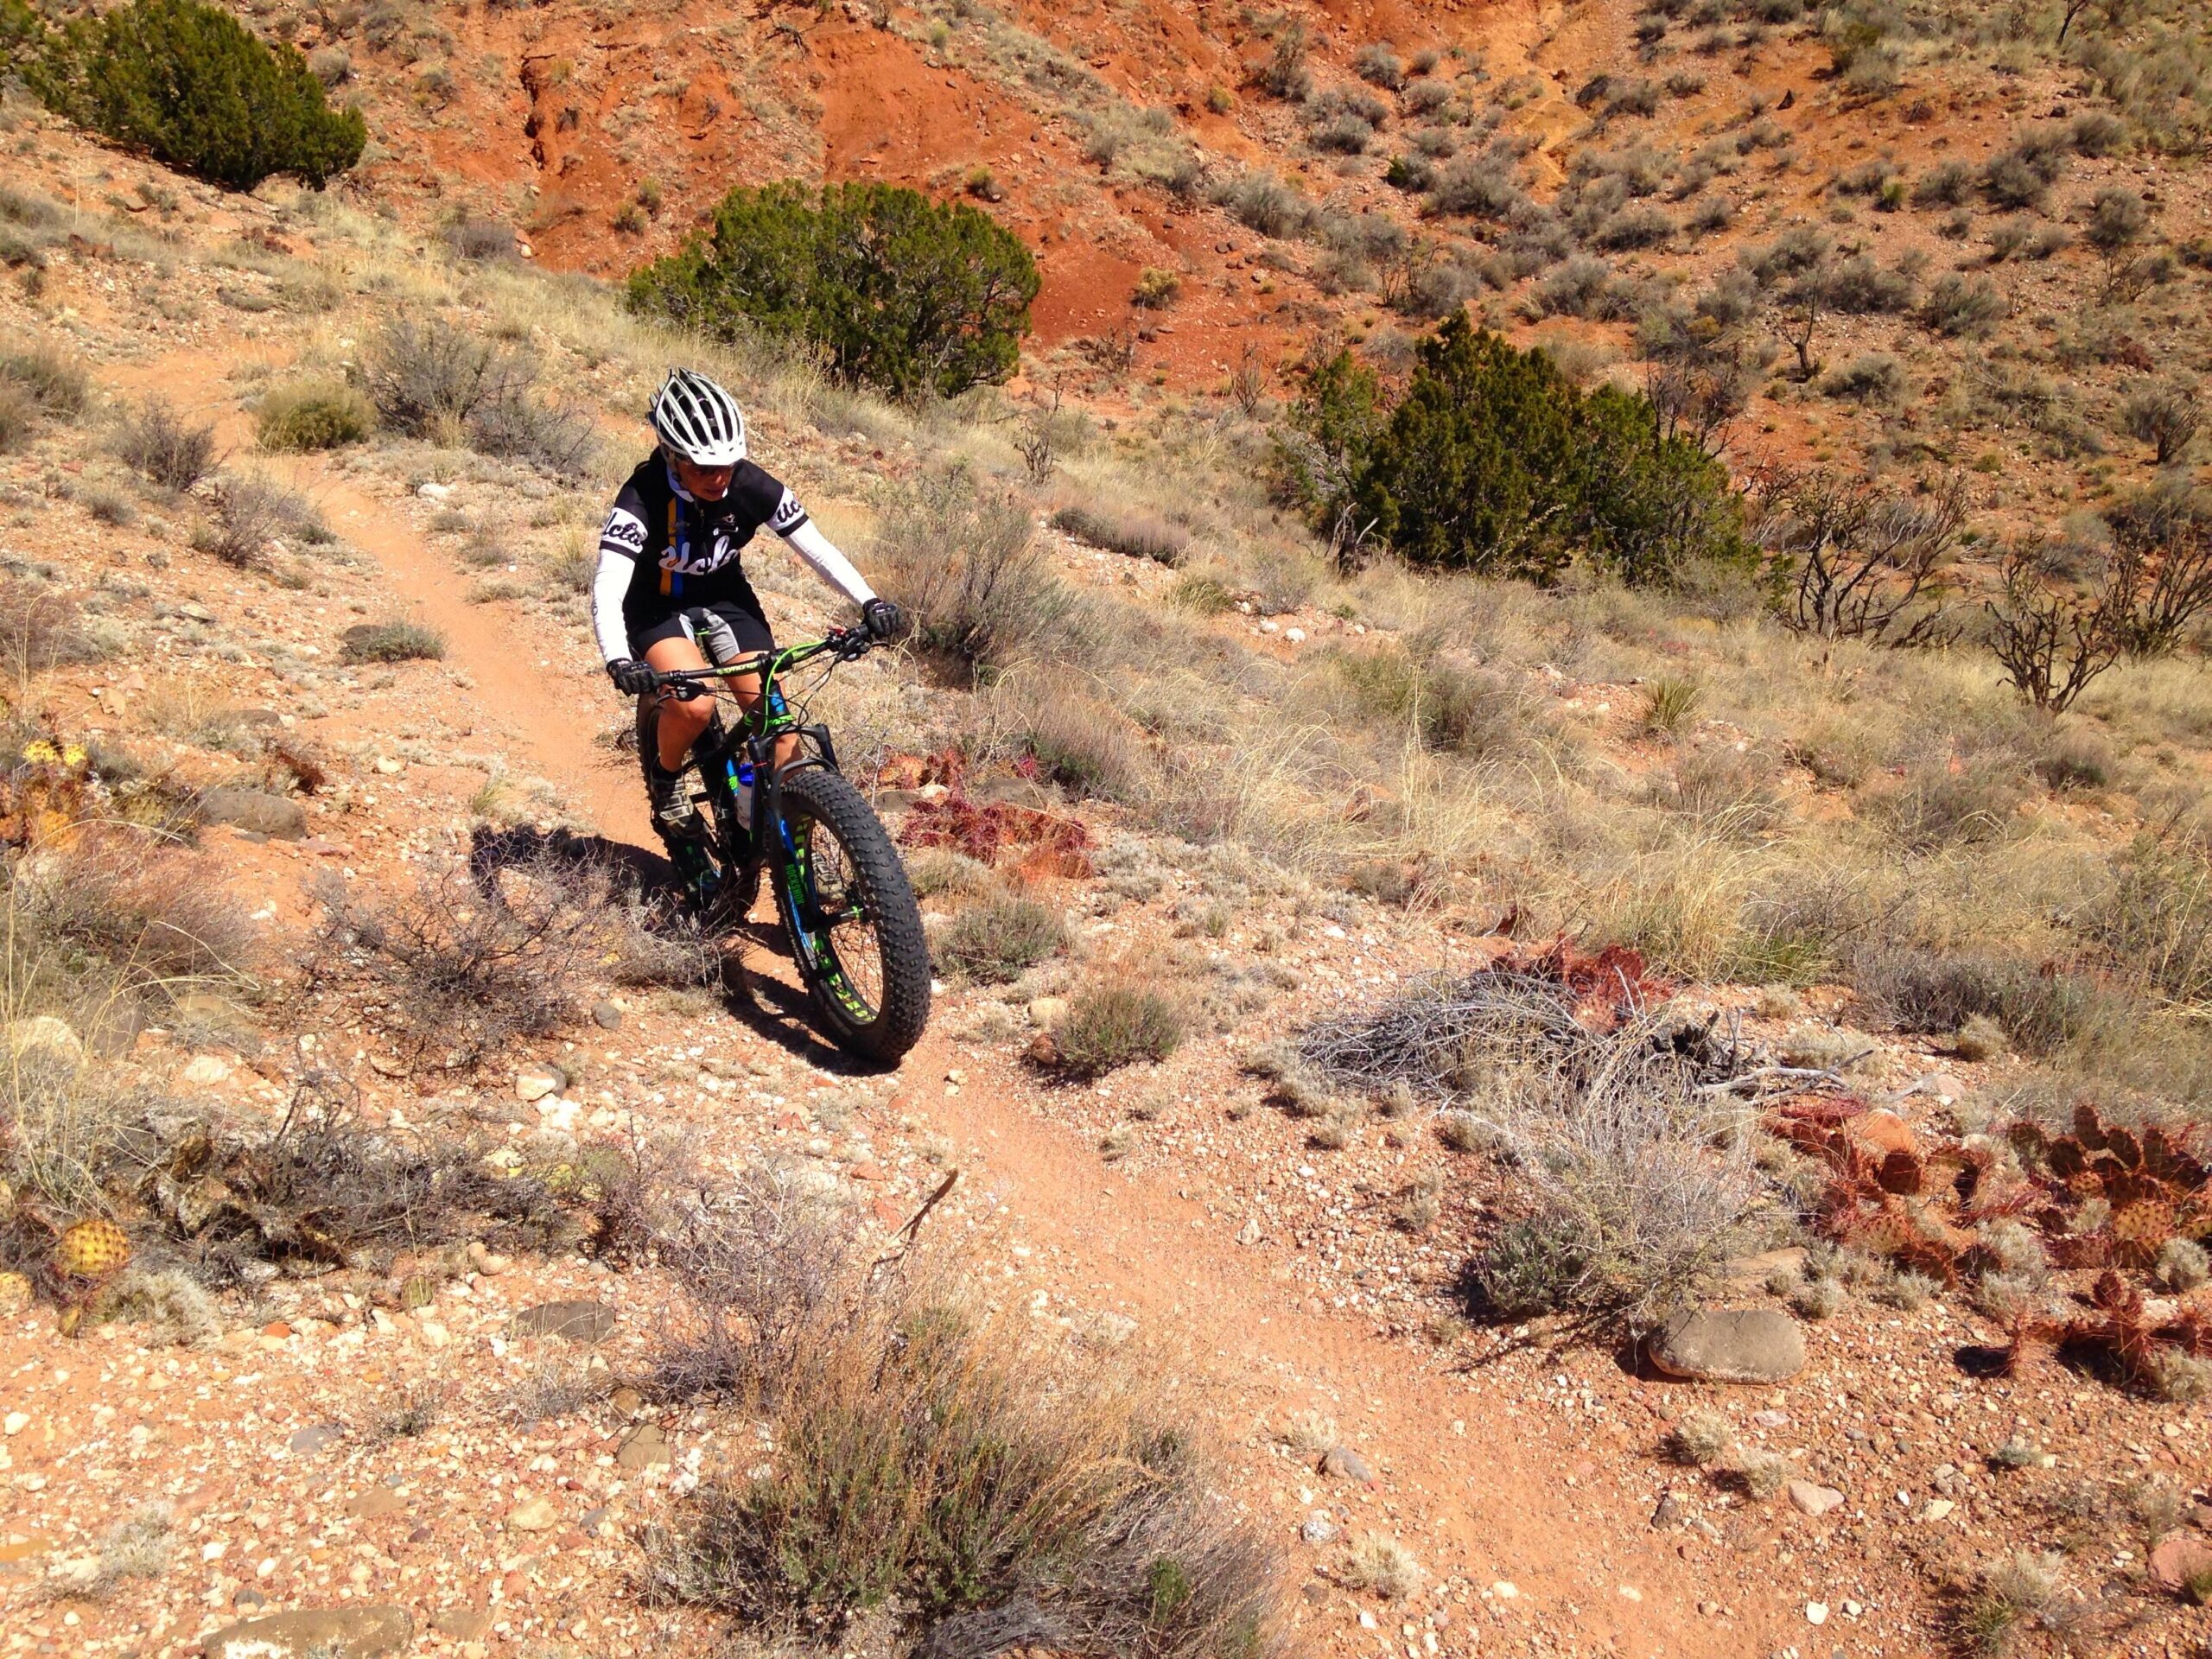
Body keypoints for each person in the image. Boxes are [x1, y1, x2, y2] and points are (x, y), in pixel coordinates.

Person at [594, 367, 901, 904]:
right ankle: (667, 780)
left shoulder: (749, 484)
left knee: (778, 727)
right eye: (705, 467)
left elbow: (816, 548)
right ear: (672, 456)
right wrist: (618, 656)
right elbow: (609, 583)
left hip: (725, 597)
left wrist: (869, 600)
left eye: (728, 465)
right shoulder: (641, 498)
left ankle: (781, 846)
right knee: (692, 708)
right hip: (655, 605)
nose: (720, 478)